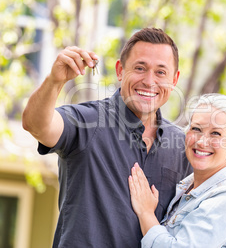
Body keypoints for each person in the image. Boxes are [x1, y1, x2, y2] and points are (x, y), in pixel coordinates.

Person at [22, 28, 193, 247]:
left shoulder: (182, 147)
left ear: (174, 79)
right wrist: (55, 81)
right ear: (120, 71)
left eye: (161, 72)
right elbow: (36, 124)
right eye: (140, 68)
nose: (149, 81)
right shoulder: (87, 122)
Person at [128, 94, 226, 247]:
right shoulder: (187, 187)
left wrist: (146, 213)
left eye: (216, 133)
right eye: (196, 129)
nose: (202, 141)